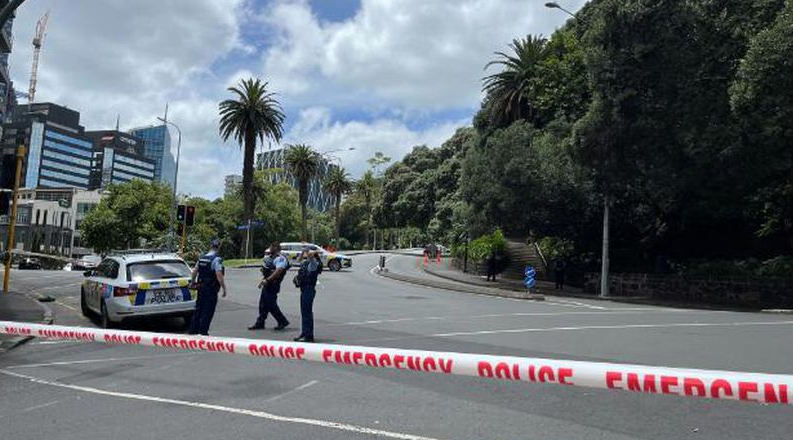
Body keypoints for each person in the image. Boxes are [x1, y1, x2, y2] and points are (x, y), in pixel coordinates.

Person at [189, 238, 227, 336]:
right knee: (208, 310)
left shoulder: (202, 257)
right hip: (211, 289)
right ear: (219, 247)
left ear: (211, 246)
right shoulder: (216, 259)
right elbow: (219, 274)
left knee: (198, 309)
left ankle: (193, 331)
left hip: (201, 288)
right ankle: (203, 332)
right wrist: (224, 288)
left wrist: (193, 283)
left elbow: (194, 271)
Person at [248, 241, 290, 331]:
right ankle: (260, 322)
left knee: (271, 304)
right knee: (263, 304)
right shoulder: (270, 258)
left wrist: (267, 280)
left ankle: (282, 321)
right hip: (267, 283)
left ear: (276, 248)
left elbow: (278, 271)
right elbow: (266, 270)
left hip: (273, 284)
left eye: (272, 247)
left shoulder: (280, 259)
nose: (270, 248)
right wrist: (263, 280)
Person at [294, 250, 322, 342]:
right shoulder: (306, 263)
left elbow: (311, 257)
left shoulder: (313, 264)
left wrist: (312, 252)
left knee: (307, 313)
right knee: (304, 312)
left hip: (309, 289)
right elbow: (298, 261)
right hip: (304, 289)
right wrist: (303, 252)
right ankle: (304, 332)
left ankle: (309, 335)